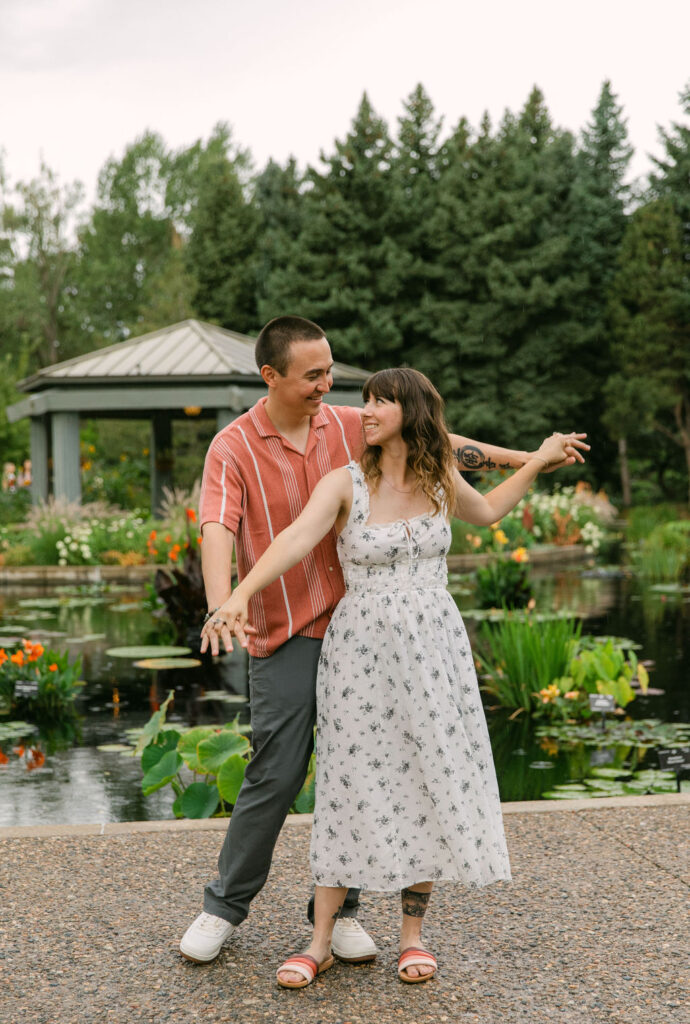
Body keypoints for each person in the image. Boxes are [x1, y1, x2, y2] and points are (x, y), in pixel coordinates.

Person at [179, 316, 589, 967]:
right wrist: (225, 598)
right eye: (314, 374)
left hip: (368, 630)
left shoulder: (347, 422)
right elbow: (217, 527)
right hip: (288, 629)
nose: (329, 384)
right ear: (272, 376)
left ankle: (345, 915)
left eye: (330, 369)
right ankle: (224, 906)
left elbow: (439, 441)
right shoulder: (232, 445)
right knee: (278, 771)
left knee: (377, 764)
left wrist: (530, 457)